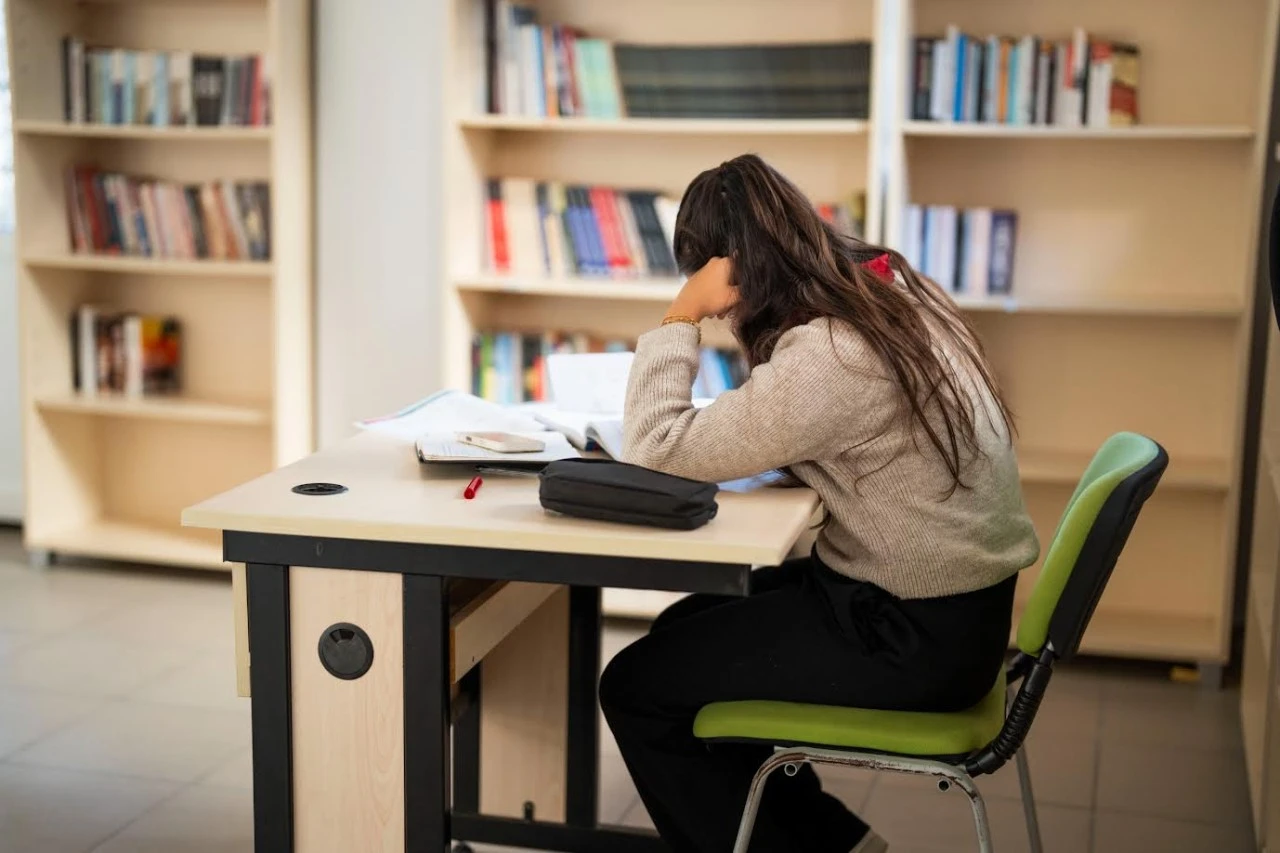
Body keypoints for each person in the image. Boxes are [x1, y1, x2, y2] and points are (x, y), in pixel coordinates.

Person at [599, 154, 1040, 853]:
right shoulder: (891, 291)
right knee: (686, 626)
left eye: (718, 293)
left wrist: (681, 315)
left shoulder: (833, 352)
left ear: (733, 269)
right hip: (952, 614)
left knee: (634, 685)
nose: (724, 313)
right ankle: (831, 841)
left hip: (912, 640)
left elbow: (653, 446)